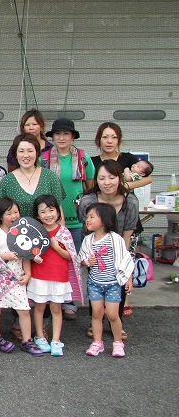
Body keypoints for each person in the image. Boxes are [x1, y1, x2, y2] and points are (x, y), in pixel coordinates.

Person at [77, 160, 139, 339]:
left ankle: (116, 321)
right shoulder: (88, 201)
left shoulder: (131, 202)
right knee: (95, 283)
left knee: (118, 283)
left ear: (120, 178)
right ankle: (95, 320)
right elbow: (87, 230)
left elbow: (127, 237)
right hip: (96, 248)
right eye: (102, 178)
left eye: (111, 177)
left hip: (120, 248)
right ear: (96, 180)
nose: (107, 182)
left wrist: (126, 269)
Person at [42, 118, 95, 321]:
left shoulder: (83, 158)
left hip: (77, 219)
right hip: (50, 219)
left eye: (66, 133)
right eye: (57, 134)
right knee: (53, 260)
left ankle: (69, 301)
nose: (61, 137)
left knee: (73, 261)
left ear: (73, 136)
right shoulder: (44, 158)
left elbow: (90, 187)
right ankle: (52, 298)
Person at [0, 198, 37, 355]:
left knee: (24, 309)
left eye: (16, 212)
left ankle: (27, 340)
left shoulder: (22, 232)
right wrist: (5, 255)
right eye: (9, 213)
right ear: (0, 216)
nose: (14, 216)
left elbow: (26, 254)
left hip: (17, 277)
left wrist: (28, 273)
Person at [79, 203, 134, 357]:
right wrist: (87, 261)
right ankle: (97, 342)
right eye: (87, 217)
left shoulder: (115, 239)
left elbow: (125, 259)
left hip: (113, 284)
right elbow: (80, 260)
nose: (87, 220)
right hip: (94, 283)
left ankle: (118, 342)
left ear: (104, 219)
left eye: (92, 217)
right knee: (96, 313)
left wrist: (128, 278)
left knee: (112, 314)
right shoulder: (88, 240)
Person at [29, 194, 81, 356]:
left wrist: (56, 246)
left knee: (56, 308)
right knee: (39, 307)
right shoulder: (36, 232)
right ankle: (39, 336)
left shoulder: (63, 231)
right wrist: (34, 257)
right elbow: (30, 252)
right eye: (43, 212)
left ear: (58, 212)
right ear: (37, 215)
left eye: (51, 210)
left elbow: (71, 256)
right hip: (39, 275)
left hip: (59, 276)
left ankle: (56, 340)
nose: (48, 215)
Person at [0, 133, 66, 219]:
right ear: (15, 154)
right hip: (17, 227)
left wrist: (62, 228)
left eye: (30, 151)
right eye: (21, 151)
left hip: (47, 227)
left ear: (37, 153)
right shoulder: (7, 181)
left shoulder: (50, 177)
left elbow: (59, 211)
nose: (26, 155)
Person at [91, 122, 153, 191]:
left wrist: (125, 186)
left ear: (119, 140)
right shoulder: (91, 161)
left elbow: (149, 178)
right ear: (98, 139)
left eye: (114, 137)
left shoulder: (128, 158)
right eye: (105, 137)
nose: (109, 141)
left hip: (125, 197)